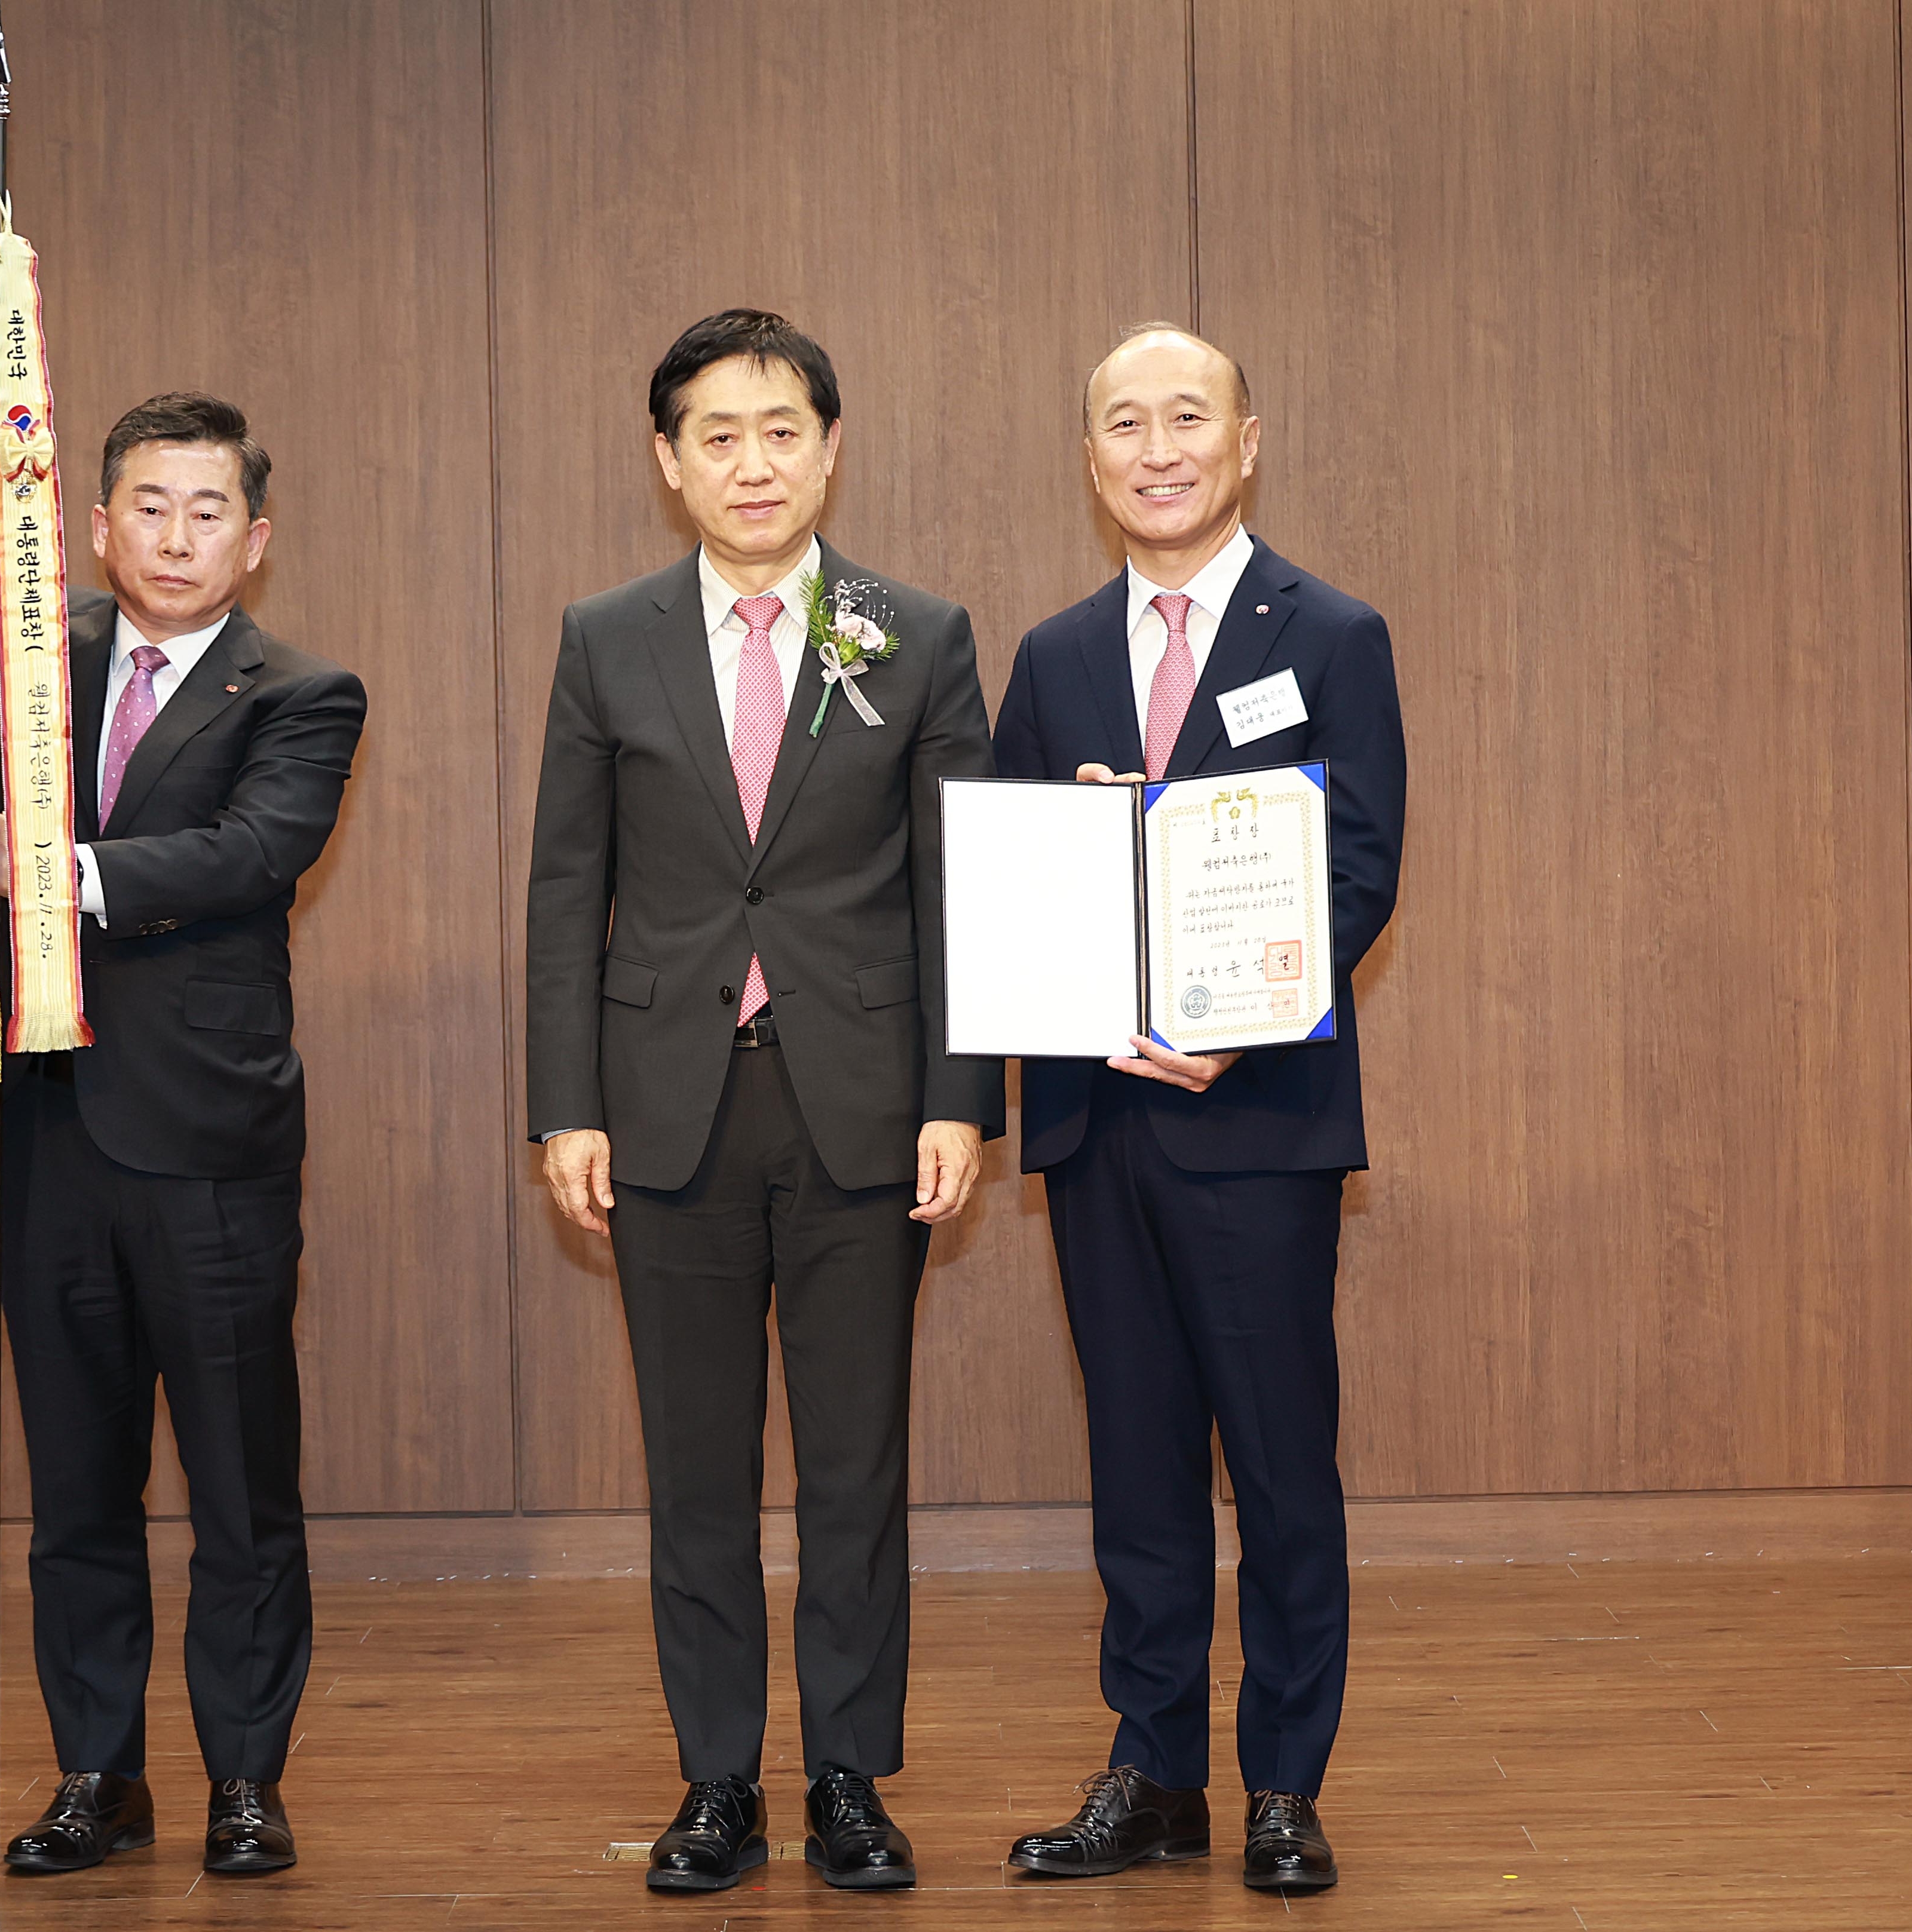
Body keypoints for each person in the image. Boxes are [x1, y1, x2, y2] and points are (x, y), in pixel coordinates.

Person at [524, 309, 1000, 1894]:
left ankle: (850, 1777)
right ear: (667, 462)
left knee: (858, 1461)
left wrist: (961, 1096)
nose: (752, 461)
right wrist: (564, 1105)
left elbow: (956, 891)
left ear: (830, 447)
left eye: (781, 428)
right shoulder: (605, 636)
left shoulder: (916, 634)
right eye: (716, 434)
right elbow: (563, 889)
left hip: (864, 1104)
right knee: (698, 1464)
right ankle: (717, 1776)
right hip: (666, 1106)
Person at [991, 324, 1406, 1894]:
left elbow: (1357, 861)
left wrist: (1226, 1024)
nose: (1154, 447)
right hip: (1099, 1128)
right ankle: (1152, 1772)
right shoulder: (1051, 658)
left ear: (1244, 443)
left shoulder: (1333, 634)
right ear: (1090, 459)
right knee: (1137, 1463)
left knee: (1282, 1462)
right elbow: (1020, 890)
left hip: (1259, 1122)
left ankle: (1285, 1783)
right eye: (1120, 423)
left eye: (1185, 417)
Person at [0, 391, 364, 1880]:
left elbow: (251, 853)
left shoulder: (301, 692)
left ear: (255, 540)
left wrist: (51, 871)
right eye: (148, 506)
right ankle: (97, 1772)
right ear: (94, 522)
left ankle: (247, 1783)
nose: (176, 536)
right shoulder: (27, 665)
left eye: (209, 512)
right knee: (76, 1486)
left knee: (238, 1485)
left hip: (209, 1146)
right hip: (46, 1129)